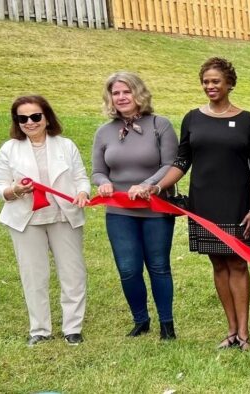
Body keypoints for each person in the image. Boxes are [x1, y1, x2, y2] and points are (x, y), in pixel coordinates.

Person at [154, 57, 250, 351]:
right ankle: (230, 330)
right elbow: (181, 161)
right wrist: (158, 186)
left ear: (229, 83)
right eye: (206, 81)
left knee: (238, 262)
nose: (210, 86)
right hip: (203, 202)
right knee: (217, 262)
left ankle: (244, 332)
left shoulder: (247, 120)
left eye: (215, 81)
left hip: (238, 202)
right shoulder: (192, 118)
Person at [0, 95, 90, 346]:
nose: (30, 122)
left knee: (73, 273)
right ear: (17, 122)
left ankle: (73, 328)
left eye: (35, 116)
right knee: (33, 275)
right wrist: (14, 190)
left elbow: (81, 178)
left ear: (46, 117)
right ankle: (40, 330)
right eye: (22, 118)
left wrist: (82, 193)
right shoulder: (9, 149)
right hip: (26, 220)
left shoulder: (66, 145)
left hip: (64, 216)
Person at [92, 71, 178, 340]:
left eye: (126, 91)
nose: (121, 97)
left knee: (158, 266)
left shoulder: (159, 125)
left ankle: (167, 324)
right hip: (119, 213)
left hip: (156, 209)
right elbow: (97, 171)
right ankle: (141, 320)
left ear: (138, 93)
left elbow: (170, 165)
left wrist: (147, 185)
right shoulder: (104, 132)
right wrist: (103, 182)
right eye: (115, 93)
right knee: (128, 268)